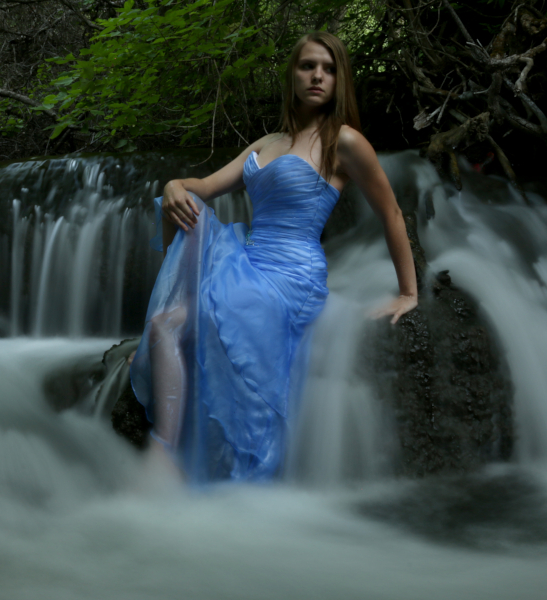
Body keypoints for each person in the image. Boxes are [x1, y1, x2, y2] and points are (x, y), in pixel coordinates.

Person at [128, 31, 418, 484]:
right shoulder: (267, 143)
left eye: (329, 68)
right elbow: (202, 188)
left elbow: (392, 212)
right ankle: (164, 448)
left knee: (192, 319)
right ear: (293, 75)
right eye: (308, 66)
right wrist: (172, 186)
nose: (318, 76)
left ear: (339, 79)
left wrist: (408, 292)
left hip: (292, 277)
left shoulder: (345, 142)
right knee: (166, 308)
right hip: (247, 262)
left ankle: (169, 457)